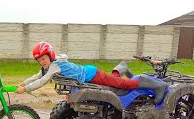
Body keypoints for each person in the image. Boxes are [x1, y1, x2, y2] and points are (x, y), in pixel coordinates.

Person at [16, 41, 168, 104]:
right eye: (40, 60)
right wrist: (24, 83)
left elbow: (42, 81)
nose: (42, 62)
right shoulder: (48, 67)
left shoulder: (55, 66)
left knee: (124, 84)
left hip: (92, 74)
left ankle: (158, 86)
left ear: (50, 55)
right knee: (112, 82)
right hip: (89, 74)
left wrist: (25, 89)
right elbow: (38, 76)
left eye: (43, 58)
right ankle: (121, 67)